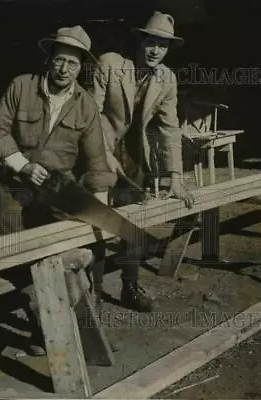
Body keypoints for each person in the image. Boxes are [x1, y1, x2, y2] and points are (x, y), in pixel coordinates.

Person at [0, 26, 116, 355]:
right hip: (12, 186)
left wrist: (100, 212)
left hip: (58, 188)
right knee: (18, 254)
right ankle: (44, 326)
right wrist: (22, 164)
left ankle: (80, 320)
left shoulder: (85, 105)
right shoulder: (22, 86)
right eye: (59, 61)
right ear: (49, 59)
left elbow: (98, 162)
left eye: (72, 64)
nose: (64, 70)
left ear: (80, 67)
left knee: (73, 249)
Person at [89, 11, 194, 312]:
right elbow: (90, 114)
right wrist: (103, 154)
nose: (155, 51)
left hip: (134, 154)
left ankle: (129, 286)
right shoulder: (109, 63)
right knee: (96, 220)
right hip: (99, 149)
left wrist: (175, 178)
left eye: (162, 46)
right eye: (151, 42)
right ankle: (92, 292)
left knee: (133, 220)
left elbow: (170, 130)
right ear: (140, 40)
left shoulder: (167, 78)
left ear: (168, 49)